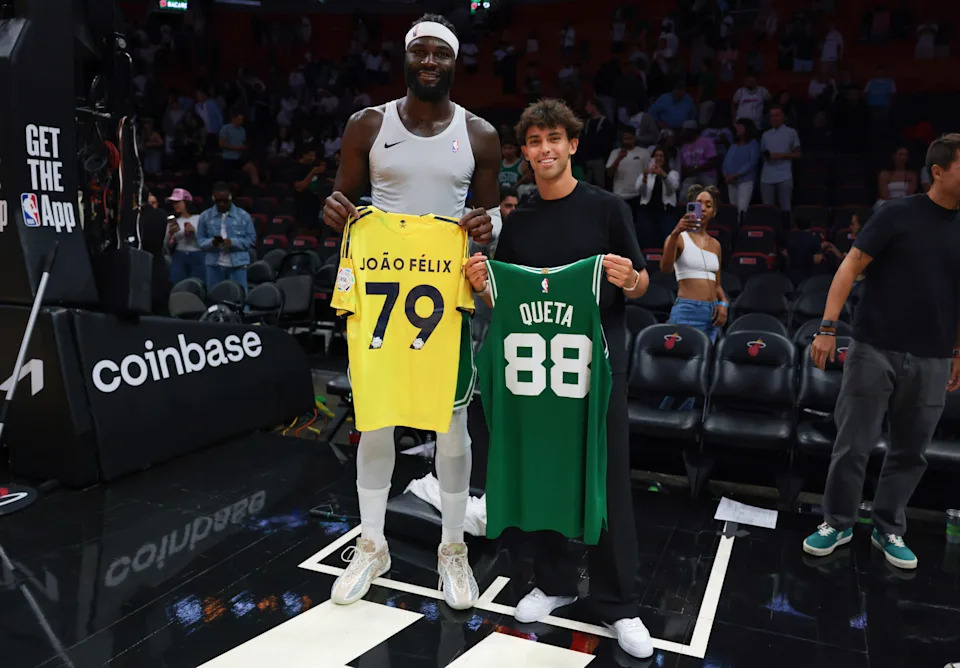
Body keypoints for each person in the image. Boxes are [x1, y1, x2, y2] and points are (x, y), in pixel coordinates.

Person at [320, 13, 501, 611]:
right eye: (419, 52)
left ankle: (454, 549)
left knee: (450, 425)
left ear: (454, 61)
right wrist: (334, 209)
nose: (429, 62)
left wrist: (486, 225)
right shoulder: (368, 124)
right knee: (376, 419)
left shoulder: (480, 135)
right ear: (405, 59)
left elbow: (492, 221)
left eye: (440, 54)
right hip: (380, 294)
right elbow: (344, 205)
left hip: (443, 297)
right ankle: (372, 543)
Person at [464, 98, 655, 660]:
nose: (543, 149)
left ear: (572, 144)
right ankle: (550, 582)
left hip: (596, 369)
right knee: (544, 473)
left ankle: (620, 603)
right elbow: (507, 301)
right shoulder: (519, 221)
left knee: (609, 480)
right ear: (523, 153)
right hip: (538, 372)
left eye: (553, 138)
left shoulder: (607, 209)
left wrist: (634, 280)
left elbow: (642, 284)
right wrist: (481, 282)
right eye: (533, 141)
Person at [803, 133, 960, 570]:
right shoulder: (896, 213)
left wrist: (958, 353)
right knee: (853, 443)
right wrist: (828, 327)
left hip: (933, 357)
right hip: (874, 348)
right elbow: (850, 266)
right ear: (939, 170)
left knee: (911, 450)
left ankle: (889, 526)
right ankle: (838, 521)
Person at [660, 185, 728, 342]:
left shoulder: (716, 245)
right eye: (698, 204)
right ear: (690, 208)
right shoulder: (678, 238)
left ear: (714, 212)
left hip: (711, 314)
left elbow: (717, 284)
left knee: (706, 362)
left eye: (708, 205)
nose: (703, 209)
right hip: (687, 310)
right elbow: (665, 269)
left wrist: (724, 303)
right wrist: (675, 233)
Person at [195, 182, 257, 292]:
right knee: (214, 297)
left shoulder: (243, 216)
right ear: (213, 198)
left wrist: (232, 242)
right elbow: (199, 241)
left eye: (225, 201)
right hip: (214, 265)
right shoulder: (205, 216)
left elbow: (251, 240)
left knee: (240, 297)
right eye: (218, 201)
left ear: (230, 197)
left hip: (238, 265)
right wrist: (212, 243)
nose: (222, 204)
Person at [635, 145, 681, 246]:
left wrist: (664, 175)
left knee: (666, 235)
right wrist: (645, 178)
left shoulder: (672, 174)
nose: (658, 158)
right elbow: (639, 190)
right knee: (646, 235)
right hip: (648, 209)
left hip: (666, 210)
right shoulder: (646, 174)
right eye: (656, 155)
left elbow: (672, 189)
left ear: (665, 159)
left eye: (661, 156)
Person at [759, 104, 801, 212]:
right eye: (772, 116)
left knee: (785, 208)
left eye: (777, 115)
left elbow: (797, 154)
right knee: (767, 209)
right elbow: (763, 153)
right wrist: (767, 157)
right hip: (767, 176)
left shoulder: (791, 132)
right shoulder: (765, 135)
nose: (774, 118)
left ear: (783, 117)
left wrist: (780, 155)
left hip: (784, 175)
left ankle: (786, 228)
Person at [164, 188, 205, 285]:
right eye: (173, 203)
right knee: (176, 284)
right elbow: (166, 245)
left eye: (178, 202)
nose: (175, 205)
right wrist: (170, 234)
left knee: (197, 284)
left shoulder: (199, 219)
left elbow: (205, 240)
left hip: (197, 254)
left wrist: (194, 232)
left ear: (186, 202)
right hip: (179, 255)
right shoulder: (173, 221)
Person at [723, 118, 760, 217]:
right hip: (731, 181)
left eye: (740, 127)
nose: (737, 129)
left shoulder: (753, 144)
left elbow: (752, 162)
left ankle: (741, 229)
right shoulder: (734, 145)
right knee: (733, 208)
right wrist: (725, 174)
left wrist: (736, 174)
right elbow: (726, 161)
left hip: (745, 181)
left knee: (742, 208)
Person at [875, 146, 919, 210]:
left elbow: (910, 194)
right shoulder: (884, 174)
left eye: (905, 155)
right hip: (887, 203)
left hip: (905, 203)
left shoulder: (912, 175)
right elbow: (884, 195)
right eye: (900, 154)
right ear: (894, 156)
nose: (903, 157)